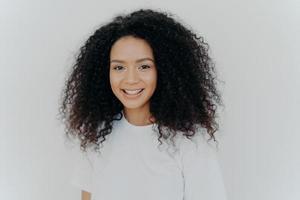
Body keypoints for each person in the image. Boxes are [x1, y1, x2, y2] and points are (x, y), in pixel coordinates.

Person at [59, 8, 227, 200]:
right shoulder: (97, 134)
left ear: (164, 70)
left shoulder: (190, 141)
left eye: (144, 66)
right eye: (119, 67)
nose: (130, 79)